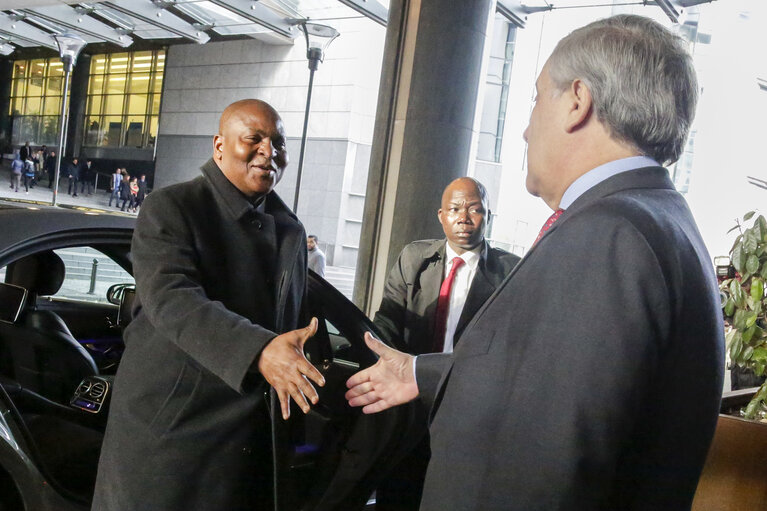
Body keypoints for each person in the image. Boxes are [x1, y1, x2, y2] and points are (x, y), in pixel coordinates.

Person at [346, 14, 725, 510]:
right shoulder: (655, 219)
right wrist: (421, 372)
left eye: (535, 98)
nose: (524, 131)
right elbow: (545, 383)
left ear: (576, 101)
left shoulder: (608, 236)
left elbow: (547, 451)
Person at [92, 99, 325, 511]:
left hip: (250, 442)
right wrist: (260, 350)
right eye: (254, 139)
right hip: (175, 435)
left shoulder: (290, 230)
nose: (269, 152)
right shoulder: (172, 207)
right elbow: (172, 298)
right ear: (219, 146)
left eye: (279, 143)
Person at [374, 177, 519, 510]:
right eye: (454, 209)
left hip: (468, 409)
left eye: (474, 209)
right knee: (399, 494)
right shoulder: (414, 258)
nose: (463, 217)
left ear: (487, 215)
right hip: (408, 404)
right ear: (441, 215)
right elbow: (388, 323)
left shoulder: (510, 271)